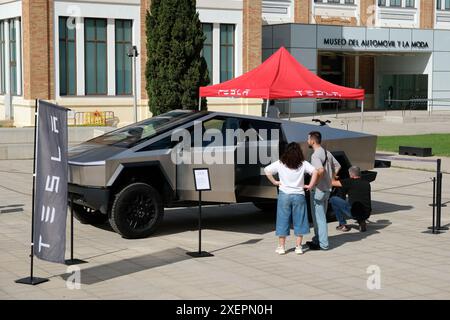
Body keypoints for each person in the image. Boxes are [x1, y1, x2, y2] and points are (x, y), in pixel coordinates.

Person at [264, 142, 319, 255]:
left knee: (282, 220)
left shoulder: (280, 163)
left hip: (284, 194)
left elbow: (267, 170)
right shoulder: (303, 163)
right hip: (299, 195)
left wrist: (275, 182)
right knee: (300, 220)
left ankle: (281, 247)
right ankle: (298, 247)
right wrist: (310, 185)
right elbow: (315, 171)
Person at [305, 131, 341, 251]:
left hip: (318, 190)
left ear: (313, 141)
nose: (307, 141)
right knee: (321, 216)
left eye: (308, 139)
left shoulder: (315, 155)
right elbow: (338, 166)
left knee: (318, 218)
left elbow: (319, 170)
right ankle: (317, 240)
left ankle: (323, 244)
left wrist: (314, 183)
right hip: (327, 189)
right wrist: (332, 177)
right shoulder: (327, 152)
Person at [330, 166, 372, 232]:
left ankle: (342, 225)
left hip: (354, 213)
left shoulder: (349, 182)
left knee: (333, 199)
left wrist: (334, 176)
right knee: (359, 202)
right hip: (367, 213)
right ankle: (361, 221)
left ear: (351, 174)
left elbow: (332, 183)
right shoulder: (367, 183)